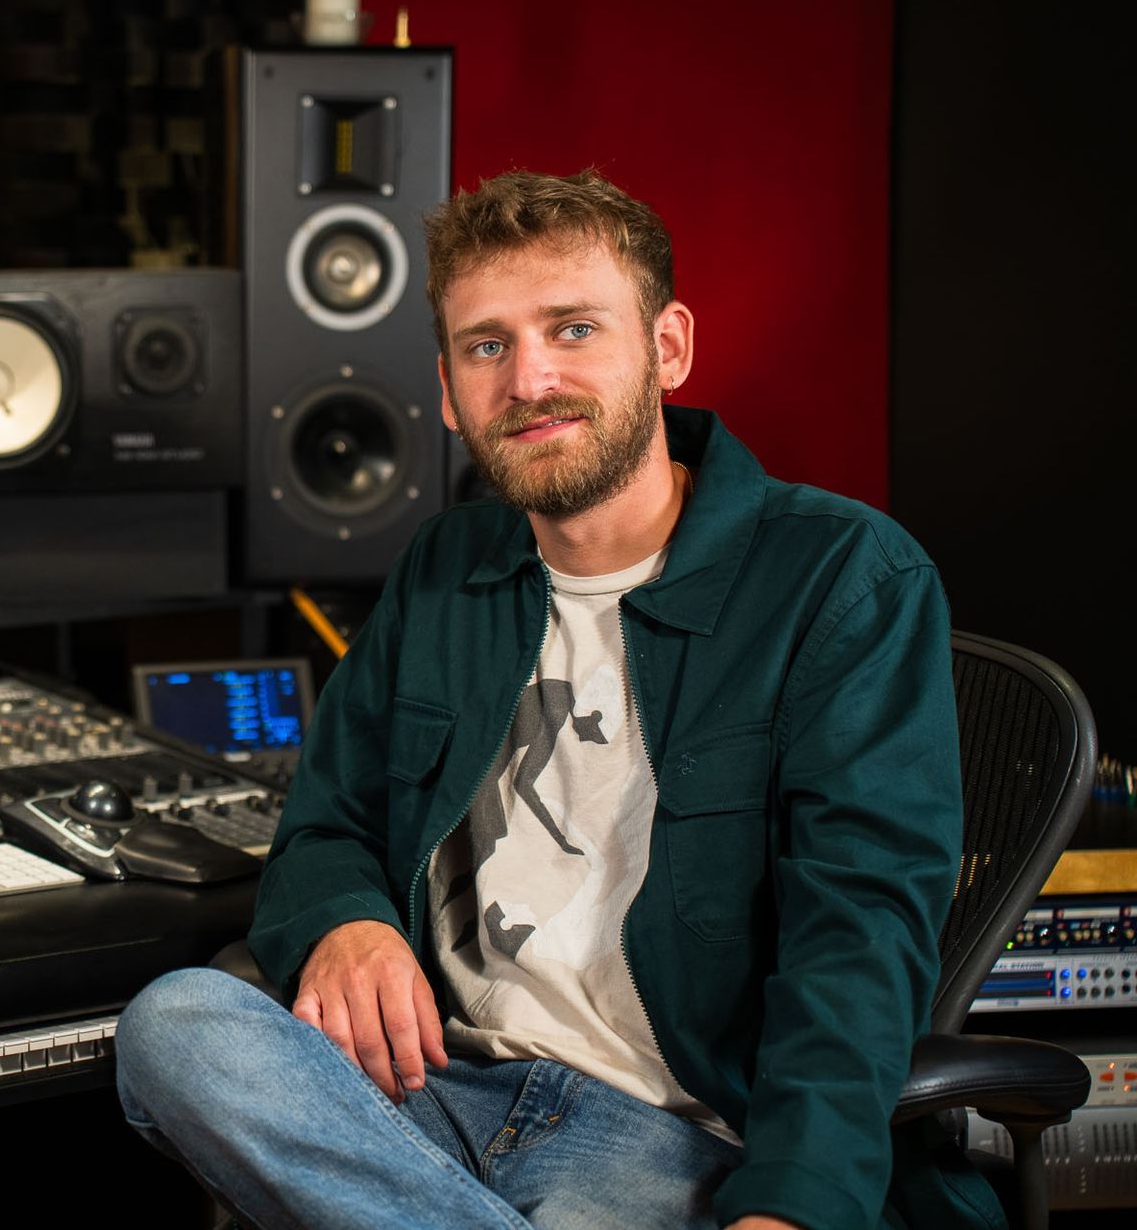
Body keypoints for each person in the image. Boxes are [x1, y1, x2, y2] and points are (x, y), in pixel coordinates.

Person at [114, 169, 1003, 1230]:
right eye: (486, 345)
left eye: (573, 329)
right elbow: (326, 821)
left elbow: (857, 940)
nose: (529, 379)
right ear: (449, 391)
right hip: (435, 1090)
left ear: (668, 347)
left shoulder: (842, 575)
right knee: (179, 1024)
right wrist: (346, 922)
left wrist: (789, 1208)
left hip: (677, 1141)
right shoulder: (446, 564)